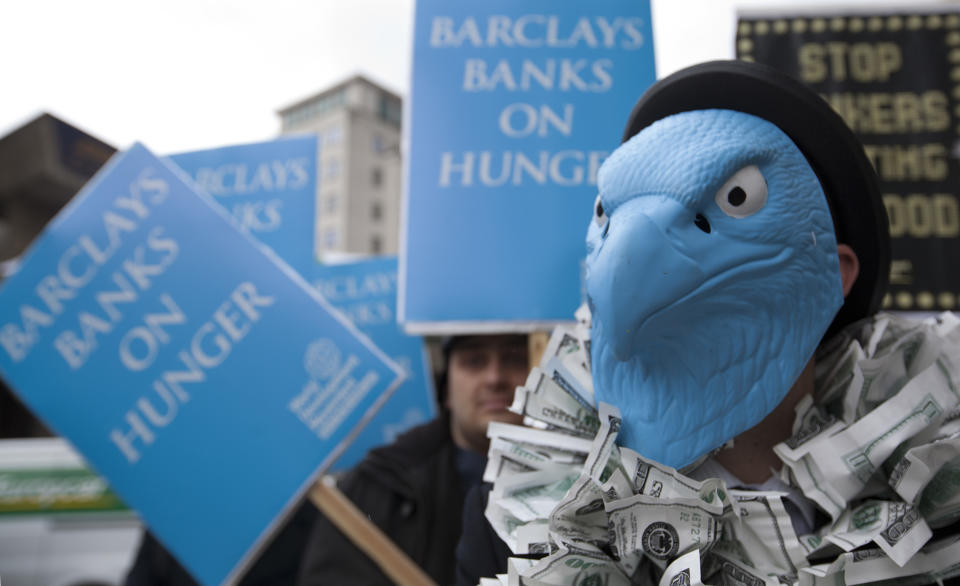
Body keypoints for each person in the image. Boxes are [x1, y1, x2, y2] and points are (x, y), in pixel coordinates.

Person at [458, 60, 960, 585]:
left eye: (737, 197)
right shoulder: (516, 526)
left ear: (836, 273)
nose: (633, 245)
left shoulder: (939, 503)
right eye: (608, 212)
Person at [296, 333, 529, 585]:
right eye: (474, 361)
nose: (494, 378)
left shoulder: (576, 482)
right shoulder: (377, 486)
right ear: (446, 387)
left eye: (515, 359)